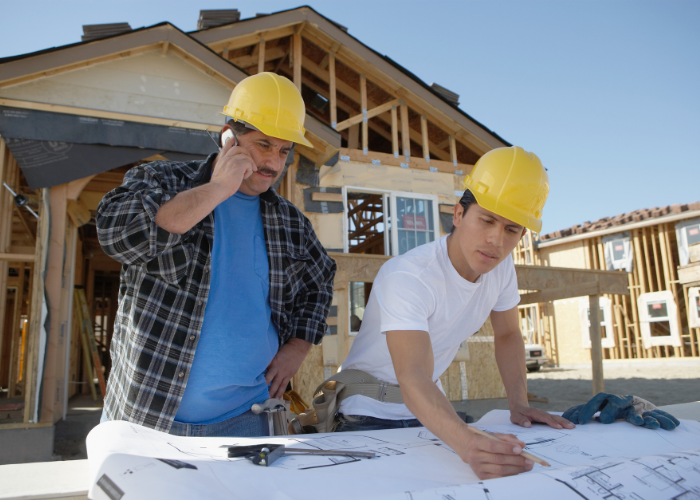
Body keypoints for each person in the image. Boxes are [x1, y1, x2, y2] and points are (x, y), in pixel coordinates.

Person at [96, 72, 336, 437]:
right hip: (149, 415)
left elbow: (320, 280)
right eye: (263, 145)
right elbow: (117, 233)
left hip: (249, 418)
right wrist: (220, 187)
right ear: (229, 136)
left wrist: (298, 347)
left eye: (284, 150)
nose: (274, 163)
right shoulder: (163, 181)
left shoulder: (290, 223)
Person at [331, 146, 573, 479]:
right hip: (367, 412)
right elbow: (412, 375)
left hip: (431, 408)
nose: (495, 241)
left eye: (512, 230)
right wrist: (466, 442)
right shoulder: (409, 276)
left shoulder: (500, 270)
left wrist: (518, 404)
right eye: (486, 220)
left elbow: (508, 334)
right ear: (458, 215)